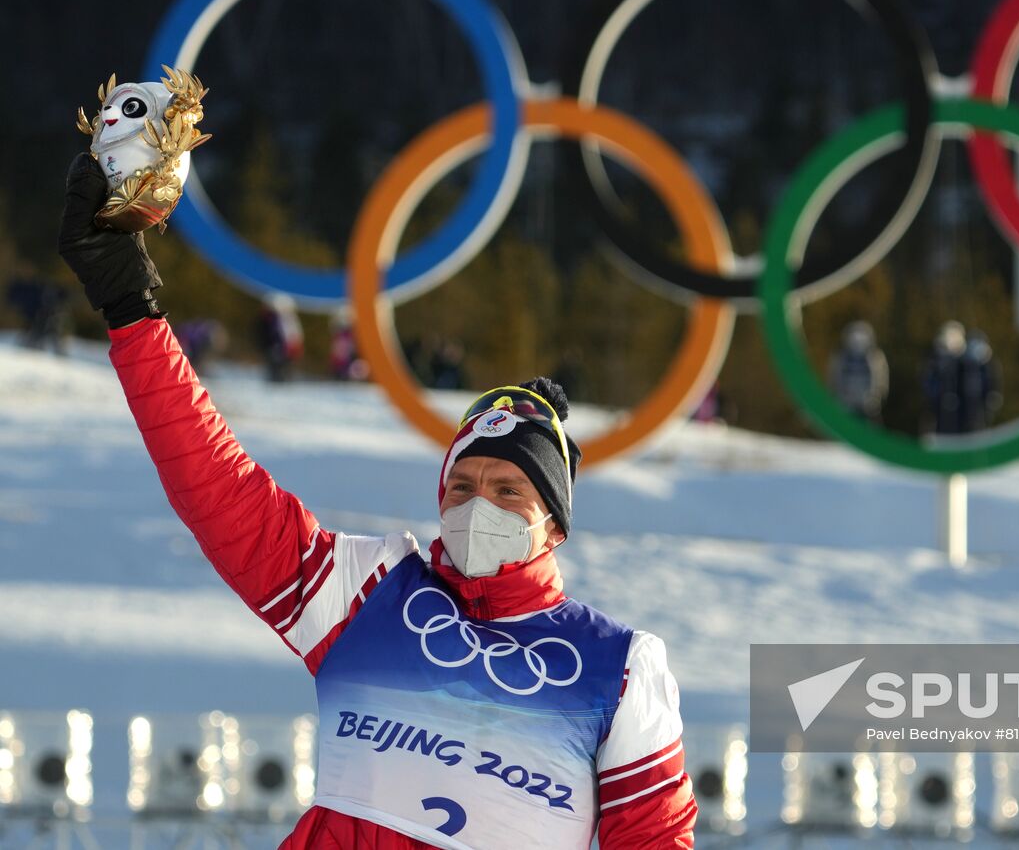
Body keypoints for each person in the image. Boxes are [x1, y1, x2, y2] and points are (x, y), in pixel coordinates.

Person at [58, 153, 697, 849]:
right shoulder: (364, 593)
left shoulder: (619, 666)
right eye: (462, 484)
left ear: (554, 522)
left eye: (509, 489)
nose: (478, 502)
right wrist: (131, 305)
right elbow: (216, 484)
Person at [826, 320, 889, 423]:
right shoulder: (841, 357)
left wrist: (877, 397)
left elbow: (880, 379)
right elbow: (835, 378)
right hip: (847, 404)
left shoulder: (875, 357)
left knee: (868, 432)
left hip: (867, 405)